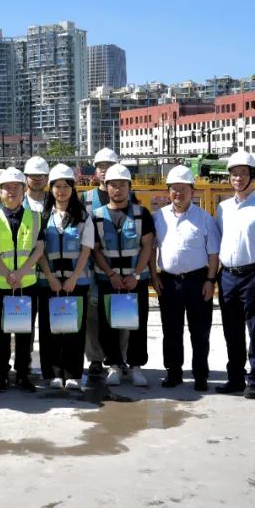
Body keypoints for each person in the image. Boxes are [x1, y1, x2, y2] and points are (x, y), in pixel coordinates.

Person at [216, 151, 255, 399]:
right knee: (231, 329)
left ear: (252, 176)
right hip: (227, 275)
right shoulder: (223, 208)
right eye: (234, 174)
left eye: (243, 173)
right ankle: (235, 377)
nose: (238, 178)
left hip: (253, 274)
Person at [153, 165, 219, 391]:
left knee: (199, 331)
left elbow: (213, 253)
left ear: (193, 191)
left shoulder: (204, 218)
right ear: (168, 191)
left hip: (197, 281)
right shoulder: (159, 217)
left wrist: (210, 281)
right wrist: (154, 276)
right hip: (168, 281)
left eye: (183, 188)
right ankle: (173, 372)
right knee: (171, 330)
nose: (178, 193)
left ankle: (200, 375)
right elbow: (151, 249)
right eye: (174, 188)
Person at [91, 163, 155, 387]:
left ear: (129, 187)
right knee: (108, 325)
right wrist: (111, 275)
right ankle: (114, 365)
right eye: (113, 185)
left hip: (136, 280)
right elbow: (95, 250)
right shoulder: (97, 216)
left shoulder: (141, 214)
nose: (117, 189)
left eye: (122, 185)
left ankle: (135, 365)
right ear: (106, 186)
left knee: (138, 324)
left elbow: (147, 246)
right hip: (108, 280)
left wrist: (135, 275)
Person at [0, 167, 45, 393]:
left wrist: (20, 273)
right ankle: (1, 374)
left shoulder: (35, 217)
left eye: (16, 187)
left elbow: (39, 249)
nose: (11, 191)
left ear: (23, 190)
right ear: (0, 192)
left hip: (26, 284)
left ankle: (22, 374)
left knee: (24, 333)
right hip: (0, 284)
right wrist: (8, 274)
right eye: (7, 188)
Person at [36, 164, 93, 391]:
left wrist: (73, 278)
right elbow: (39, 251)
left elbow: (86, 250)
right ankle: (53, 373)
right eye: (57, 186)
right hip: (48, 281)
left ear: (73, 188)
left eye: (66, 186)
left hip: (75, 282)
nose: (61, 191)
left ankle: (73, 373)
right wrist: (50, 277)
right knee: (49, 329)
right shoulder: (42, 217)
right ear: (50, 189)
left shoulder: (82, 217)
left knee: (74, 329)